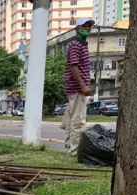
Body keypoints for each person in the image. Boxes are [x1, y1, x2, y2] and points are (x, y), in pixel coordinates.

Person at [63, 17, 94, 156]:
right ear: (77, 29)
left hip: (74, 88)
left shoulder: (81, 44)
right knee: (78, 121)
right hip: (76, 89)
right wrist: (83, 86)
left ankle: (69, 147)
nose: (87, 28)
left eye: (89, 26)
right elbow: (74, 66)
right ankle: (74, 151)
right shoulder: (76, 45)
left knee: (72, 121)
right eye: (84, 26)